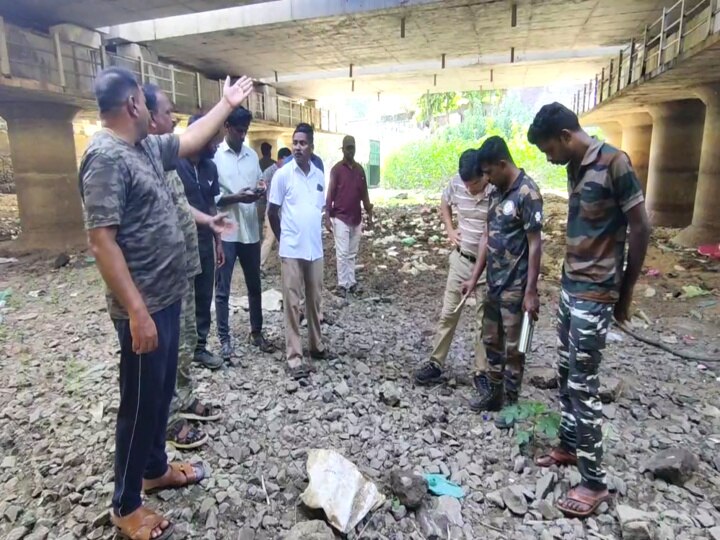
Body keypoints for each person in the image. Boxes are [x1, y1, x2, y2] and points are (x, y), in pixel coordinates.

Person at [79, 67, 253, 540]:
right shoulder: (105, 157)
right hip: (144, 306)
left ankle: (155, 467)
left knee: (159, 397)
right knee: (137, 404)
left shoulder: (145, 147)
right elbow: (102, 243)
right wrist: (136, 311)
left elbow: (192, 137)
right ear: (134, 104)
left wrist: (227, 105)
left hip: (167, 295)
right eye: (145, 96)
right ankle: (125, 504)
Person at [527, 103, 650, 518]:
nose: (549, 158)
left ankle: (594, 482)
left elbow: (640, 226)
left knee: (583, 385)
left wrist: (625, 293)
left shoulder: (615, 163)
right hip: (570, 287)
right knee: (565, 374)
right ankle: (568, 445)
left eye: (549, 150)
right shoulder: (575, 167)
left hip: (596, 294)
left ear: (565, 135)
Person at [142, 84, 229, 452]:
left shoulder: (165, 162)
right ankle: (169, 418)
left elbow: (180, 206)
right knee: (168, 351)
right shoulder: (142, 160)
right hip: (162, 278)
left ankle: (185, 396)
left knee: (187, 340)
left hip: (186, 266)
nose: (172, 118)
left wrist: (208, 222)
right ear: (147, 117)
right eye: (167, 112)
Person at [461, 136, 543, 418]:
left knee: (514, 349)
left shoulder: (527, 194)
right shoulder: (496, 193)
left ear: (502, 164)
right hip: (494, 285)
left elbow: (535, 244)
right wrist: (474, 278)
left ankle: (511, 404)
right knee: (491, 341)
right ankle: (493, 394)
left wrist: (531, 291)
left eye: (488, 172)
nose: (486, 178)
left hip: (516, 288)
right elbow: (487, 237)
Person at [413, 149, 492, 396]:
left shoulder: (495, 190)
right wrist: (449, 229)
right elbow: (445, 201)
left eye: (475, 185)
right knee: (448, 313)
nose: (470, 190)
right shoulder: (458, 183)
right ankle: (436, 362)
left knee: (484, 321)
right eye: (466, 185)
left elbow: (489, 237)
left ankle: (481, 372)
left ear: (485, 175)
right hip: (461, 260)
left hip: (488, 266)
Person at [268, 123, 332, 379]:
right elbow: (273, 211)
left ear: (312, 146)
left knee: (315, 301)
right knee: (292, 303)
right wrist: (284, 239)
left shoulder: (318, 175)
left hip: (314, 249)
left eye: (303, 143)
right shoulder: (283, 176)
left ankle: (316, 346)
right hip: (291, 249)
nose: (297, 147)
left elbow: (318, 209)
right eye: (295, 143)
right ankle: (294, 355)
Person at [214, 107, 275, 361]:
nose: (242, 135)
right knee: (223, 289)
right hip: (227, 231)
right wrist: (237, 197)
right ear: (227, 127)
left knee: (254, 285)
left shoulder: (251, 155)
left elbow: (260, 181)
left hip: (250, 230)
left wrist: (260, 188)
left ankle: (256, 331)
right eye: (239, 131)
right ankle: (224, 338)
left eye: (246, 131)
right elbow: (213, 197)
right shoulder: (215, 157)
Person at [176, 114, 224, 370]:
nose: (217, 143)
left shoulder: (210, 168)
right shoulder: (173, 164)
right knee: (183, 297)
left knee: (204, 295)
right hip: (180, 244)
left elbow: (211, 204)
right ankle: (180, 350)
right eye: (213, 137)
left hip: (205, 241)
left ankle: (199, 347)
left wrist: (218, 241)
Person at [326, 135, 373, 296]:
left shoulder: (360, 170)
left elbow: (364, 194)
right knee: (342, 253)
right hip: (340, 217)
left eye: (352, 147)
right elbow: (330, 194)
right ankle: (342, 284)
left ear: (355, 148)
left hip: (356, 217)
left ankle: (351, 282)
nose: (350, 151)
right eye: (347, 147)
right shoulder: (336, 170)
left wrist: (369, 213)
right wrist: (327, 216)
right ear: (343, 149)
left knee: (352, 253)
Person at [260, 146, 292, 269]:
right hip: (272, 211)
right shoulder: (269, 172)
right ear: (280, 159)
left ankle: (286, 264)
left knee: (285, 238)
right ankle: (259, 264)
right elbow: (261, 186)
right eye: (286, 160)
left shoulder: (289, 172)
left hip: (285, 212)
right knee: (270, 238)